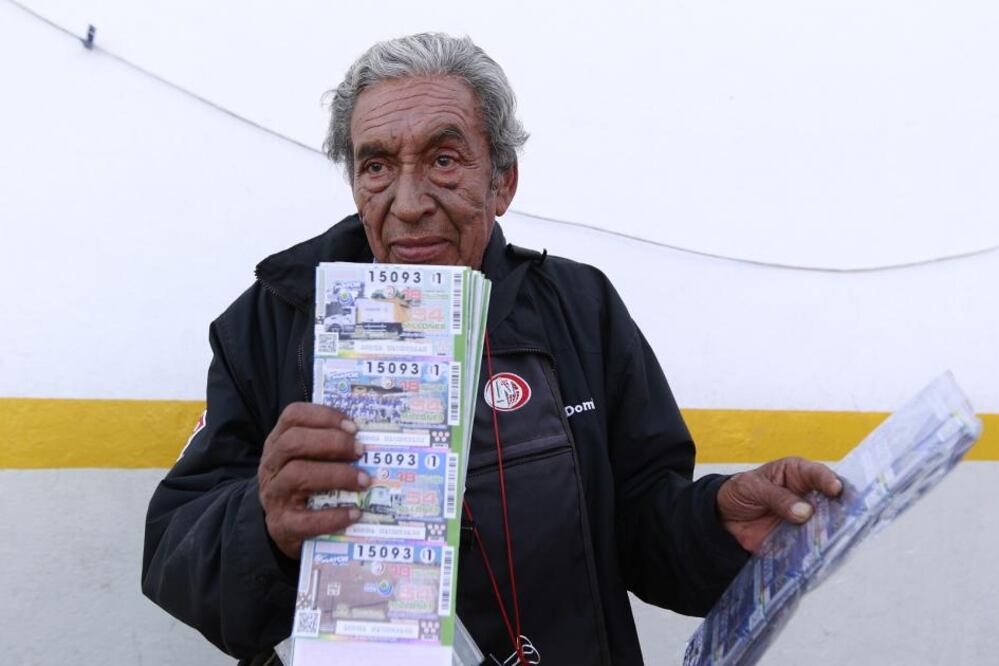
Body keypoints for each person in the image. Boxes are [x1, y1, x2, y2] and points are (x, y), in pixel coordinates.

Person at [142, 33, 842, 665]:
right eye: (377, 166)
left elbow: (641, 523)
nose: (408, 201)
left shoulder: (579, 307)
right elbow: (173, 558)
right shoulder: (272, 321)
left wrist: (717, 522)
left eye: (443, 159)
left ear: (501, 180)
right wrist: (264, 525)